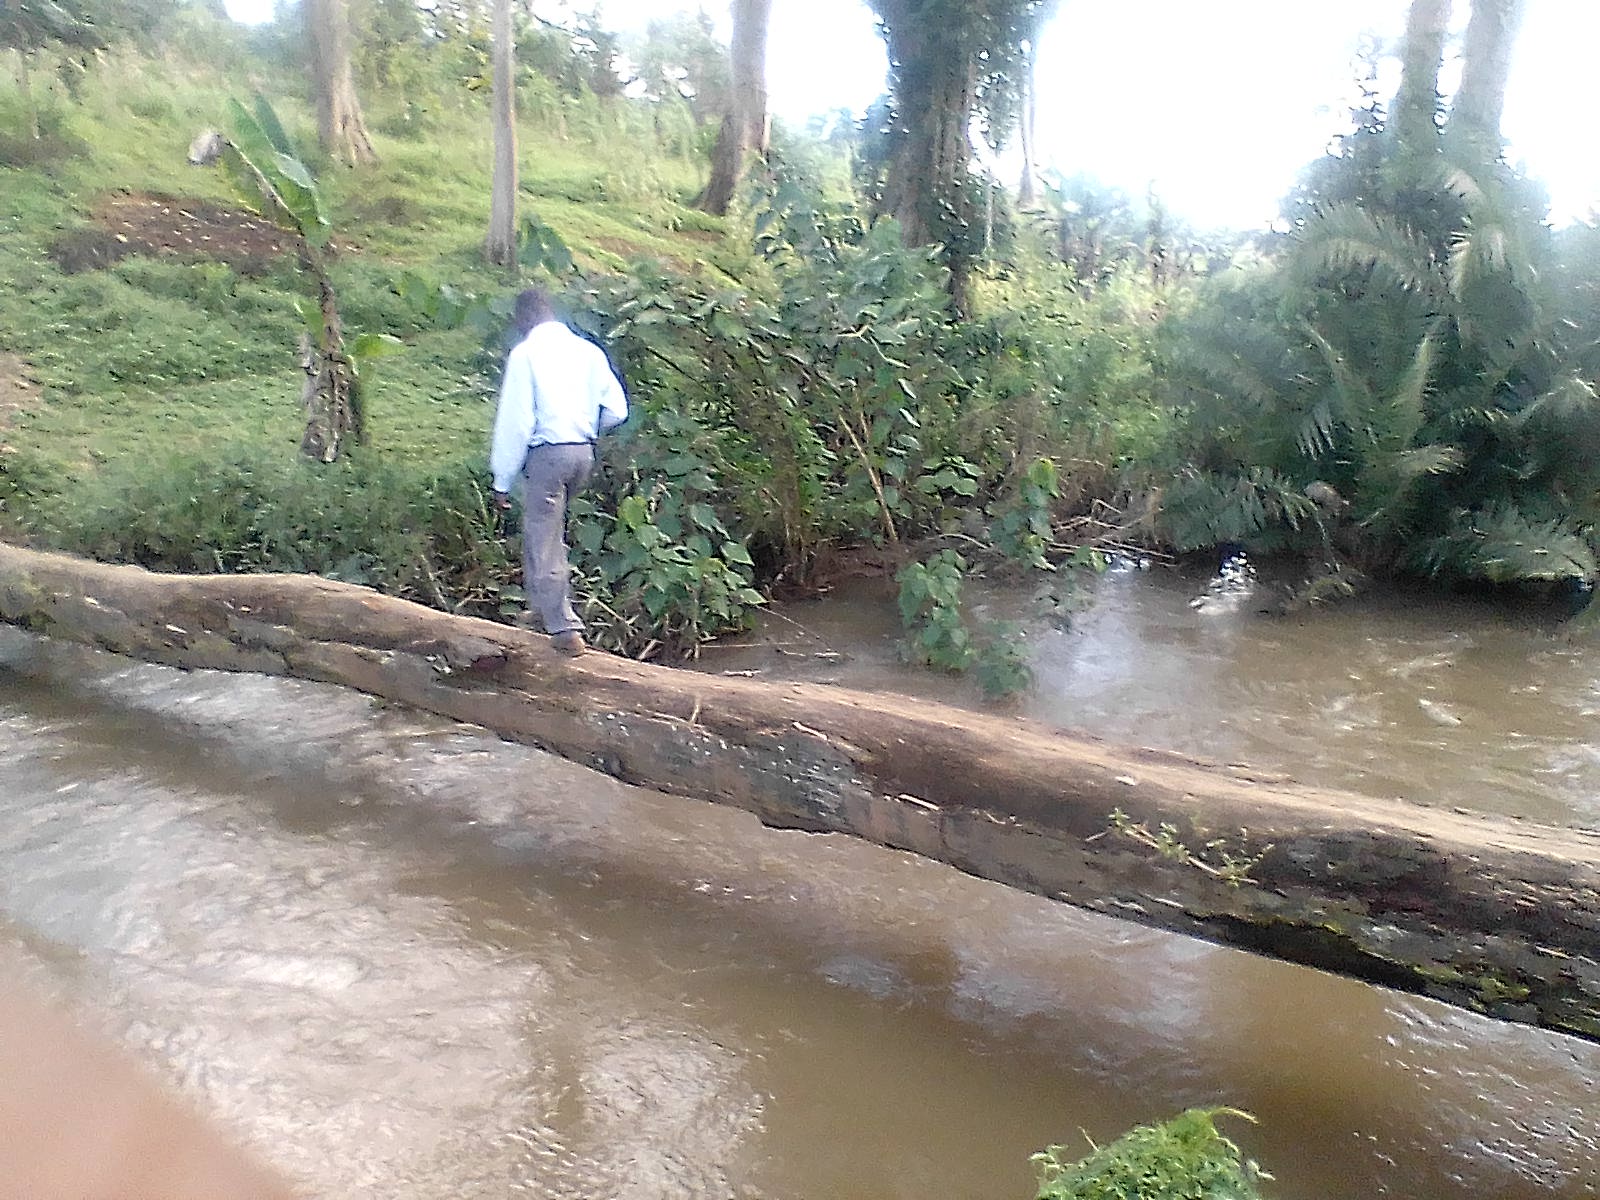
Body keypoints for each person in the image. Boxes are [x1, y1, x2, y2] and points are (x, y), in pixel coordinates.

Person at [490, 288, 628, 656]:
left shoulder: (526, 355)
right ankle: (540, 610)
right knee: (548, 530)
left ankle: (563, 627)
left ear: (524, 319)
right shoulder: (588, 351)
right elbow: (617, 409)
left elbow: (516, 423)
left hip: (548, 455)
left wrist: (501, 479)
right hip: (582, 454)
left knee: (543, 536)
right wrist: (586, 430)